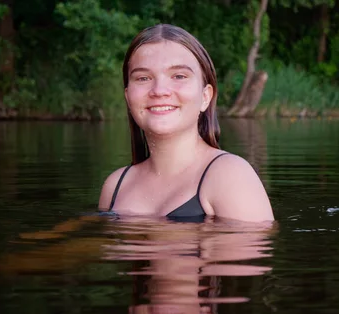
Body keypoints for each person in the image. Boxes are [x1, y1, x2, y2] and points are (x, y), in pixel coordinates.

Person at [98, 24, 274, 223]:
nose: (159, 90)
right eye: (143, 78)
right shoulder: (115, 187)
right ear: (128, 97)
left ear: (206, 96)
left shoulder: (230, 176)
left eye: (179, 76)